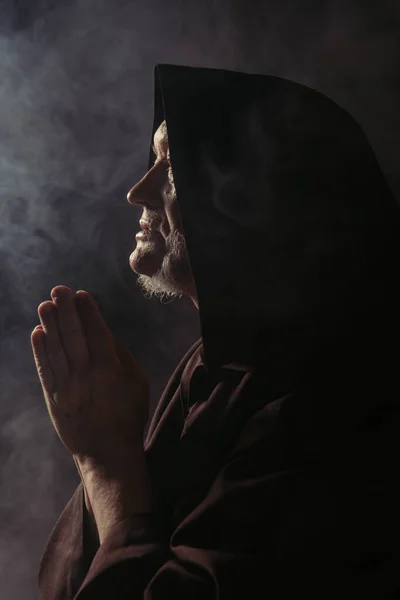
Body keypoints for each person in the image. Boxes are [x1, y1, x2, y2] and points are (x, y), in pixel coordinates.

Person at [32, 65, 400, 599]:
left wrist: (106, 461)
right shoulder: (218, 364)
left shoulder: (327, 401)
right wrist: (103, 448)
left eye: (171, 167)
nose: (139, 191)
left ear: (256, 197)